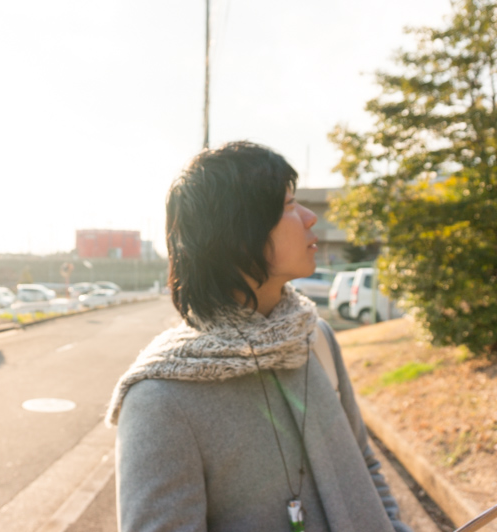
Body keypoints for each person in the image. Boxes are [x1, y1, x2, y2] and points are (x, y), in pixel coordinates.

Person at [105, 141, 411, 532]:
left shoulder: (314, 338)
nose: (309, 218)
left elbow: (364, 463)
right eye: (288, 205)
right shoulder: (159, 400)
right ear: (236, 233)